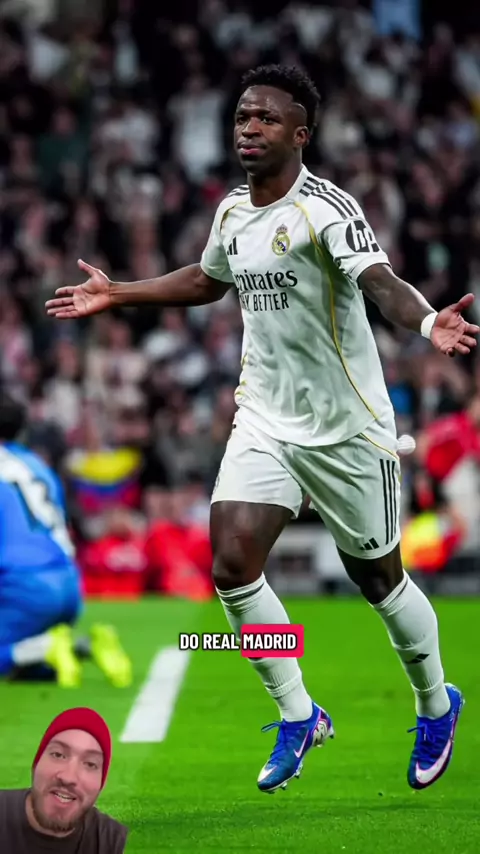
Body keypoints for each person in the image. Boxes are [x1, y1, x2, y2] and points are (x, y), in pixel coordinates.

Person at [45, 64, 478, 794]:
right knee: (231, 564)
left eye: (267, 119)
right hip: (266, 418)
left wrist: (429, 320)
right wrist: (118, 293)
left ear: (301, 135)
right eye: (243, 116)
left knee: (379, 579)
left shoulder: (327, 209)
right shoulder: (231, 212)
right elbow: (207, 280)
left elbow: (379, 281)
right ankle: (298, 713)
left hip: (348, 429)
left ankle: (437, 702)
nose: (249, 128)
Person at [0, 392, 132, 688]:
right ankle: (80, 646)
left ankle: (50, 647)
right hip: (69, 585)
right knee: (27, 671)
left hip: (24, 588)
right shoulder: (37, 466)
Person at [0, 707, 128, 852]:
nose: (68, 778)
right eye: (58, 755)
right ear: (36, 764)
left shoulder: (112, 841)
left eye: (90, 764)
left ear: (101, 784)